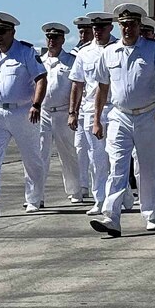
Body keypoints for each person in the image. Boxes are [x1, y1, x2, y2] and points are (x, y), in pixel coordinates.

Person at [89, 3, 155, 237]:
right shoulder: (109, 52)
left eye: (132, 25)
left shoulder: (154, 50)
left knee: (147, 167)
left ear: (139, 26)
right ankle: (112, 217)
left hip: (149, 114)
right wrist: (97, 119)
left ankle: (150, 213)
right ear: (119, 26)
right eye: (124, 25)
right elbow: (102, 89)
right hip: (119, 116)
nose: (127, 29)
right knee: (116, 166)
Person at [0, 11, 47, 218]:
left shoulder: (26, 52)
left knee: (31, 158)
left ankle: (33, 199)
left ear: (12, 31)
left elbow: (41, 78)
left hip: (22, 112)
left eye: (2, 31)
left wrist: (36, 105)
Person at [67, 12, 115, 213]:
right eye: (95, 28)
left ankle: (122, 195)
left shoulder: (118, 48)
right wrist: (73, 111)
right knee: (96, 157)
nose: (97, 31)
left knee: (116, 157)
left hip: (114, 108)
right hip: (89, 110)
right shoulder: (84, 52)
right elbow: (77, 84)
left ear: (110, 28)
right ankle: (100, 199)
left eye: (101, 27)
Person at [38, 22, 80, 206]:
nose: (52, 40)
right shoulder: (39, 61)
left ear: (63, 39)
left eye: (55, 37)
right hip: (43, 113)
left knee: (68, 154)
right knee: (39, 154)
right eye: (49, 37)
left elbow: (76, 88)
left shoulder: (71, 61)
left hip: (63, 113)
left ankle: (75, 190)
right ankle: (36, 195)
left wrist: (73, 112)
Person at [69, 15, 94, 202]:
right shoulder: (76, 52)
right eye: (82, 31)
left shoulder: (103, 50)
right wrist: (73, 111)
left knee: (100, 152)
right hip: (83, 107)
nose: (84, 34)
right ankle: (82, 185)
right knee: (80, 147)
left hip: (100, 106)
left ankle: (100, 188)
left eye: (87, 30)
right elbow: (75, 84)